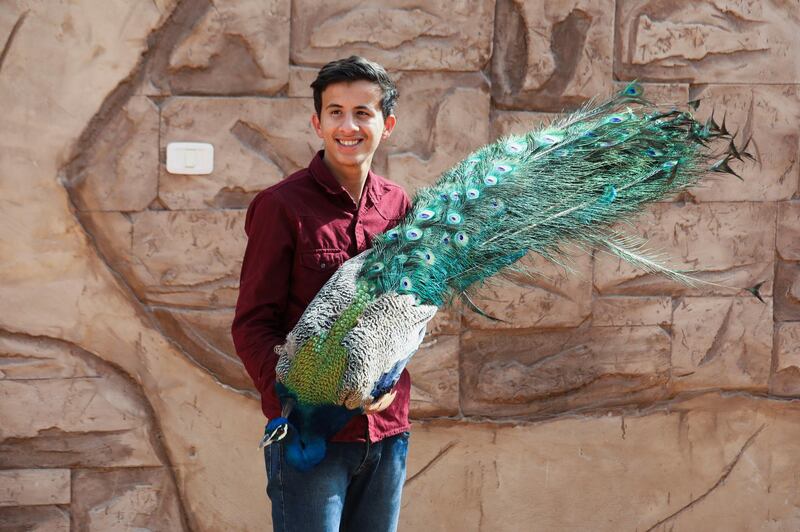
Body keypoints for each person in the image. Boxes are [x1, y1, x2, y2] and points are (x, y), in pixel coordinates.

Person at [231, 56, 412, 532]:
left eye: (362, 112)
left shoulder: (399, 206)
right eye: (335, 112)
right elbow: (253, 323)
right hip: (310, 441)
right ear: (317, 122)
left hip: (386, 432)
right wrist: (298, 399)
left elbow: (407, 310)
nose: (347, 126)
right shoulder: (280, 207)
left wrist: (386, 380)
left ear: (387, 124)